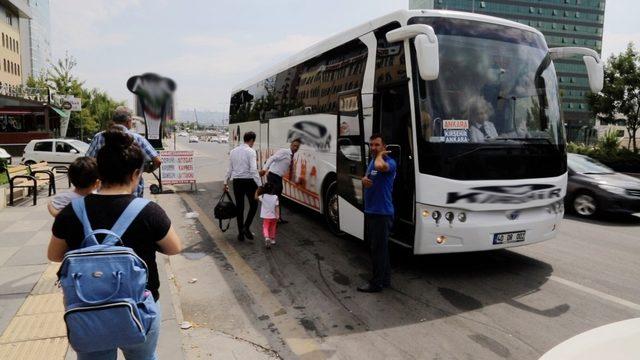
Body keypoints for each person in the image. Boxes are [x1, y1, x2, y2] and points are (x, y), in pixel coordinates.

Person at [47, 129, 182, 360]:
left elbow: (54, 255)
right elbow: (174, 247)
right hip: (139, 308)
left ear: (100, 172)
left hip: (86, 310)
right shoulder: (149, 212)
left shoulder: (72, 211)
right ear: (135, 174)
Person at [86, 106, 161, 197]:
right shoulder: (138, 139)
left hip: (105, 193)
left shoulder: (99, 137)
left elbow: (88, 162)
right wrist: (147, 169)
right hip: (133, 195)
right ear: (128, 121)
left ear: (113, 120)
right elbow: (157, 161)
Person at [358, 134, 397, 293]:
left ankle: (376, 284)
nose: (373, 148)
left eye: (377, 145)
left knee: (377, 250)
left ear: (384, 146)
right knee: (382, 249)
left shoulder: (389, 162)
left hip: (382, 213)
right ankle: (385, 279)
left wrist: (381, 155)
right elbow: (369, 177)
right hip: (372, 211)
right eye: (371, 145)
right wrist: (363, 180)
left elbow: (381, 167)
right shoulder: (372, 161)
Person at [224, 131, 261, 241]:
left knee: (240, 207)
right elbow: (253, 170)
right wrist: (260, 185)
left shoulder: (233, 151)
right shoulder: (251, 151)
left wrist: (225, 182)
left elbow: (229, 169)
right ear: (252, 140)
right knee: (254, 205)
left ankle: (241, 234)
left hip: (237, 182)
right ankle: (246, 227)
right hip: (249, 181)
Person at [259, 139, 301, 224]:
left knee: (278, 198)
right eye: (294, 145)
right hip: (273, 176)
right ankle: (272, 219)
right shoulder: (284, 152)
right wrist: (264, 169)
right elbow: (272, 158)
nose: (296, 148)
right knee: (274, 199)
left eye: (297, 146)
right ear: (291, 145)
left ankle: (278, 218)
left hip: (278, 178)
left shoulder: (291, 155)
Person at [255, 182, 279, 248]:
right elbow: (277, 206)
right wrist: (278, 215)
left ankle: (267, 237)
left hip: (266, 216)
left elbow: (256, 198)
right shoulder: (275, 197)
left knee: (265, 227)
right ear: (273, 189)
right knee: (273, 227)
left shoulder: (263, 196)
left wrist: (257, 190)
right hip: (274, 216)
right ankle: (272, 239)